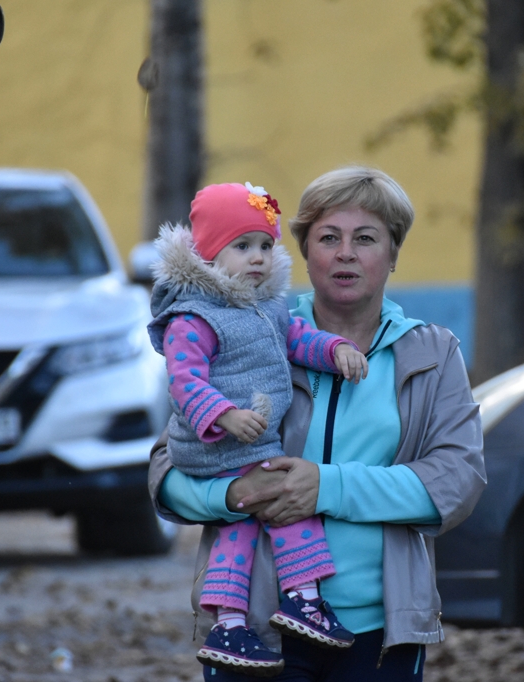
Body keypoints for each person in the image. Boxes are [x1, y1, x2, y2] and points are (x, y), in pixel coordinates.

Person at [148, 166, 486, 681]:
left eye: (365, 238)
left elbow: (457, 481)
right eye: (329, 238)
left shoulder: (432, 353)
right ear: (305, 252)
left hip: (379, 631)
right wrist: (233, 494)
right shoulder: (247, 329)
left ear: (394, 253)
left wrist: (327, 487)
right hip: (256, 630)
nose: (346, 253)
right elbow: (166, 471)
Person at [147, 182, 369, 676]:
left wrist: (335, 349)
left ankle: (229, 624)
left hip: (249, 437)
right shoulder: (193, 317)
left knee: (241, 526)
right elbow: (183, 381)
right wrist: (223, 414)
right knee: (288, 504)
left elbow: (299, 338)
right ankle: (304, 599)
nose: (257, 258)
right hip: (211, 441)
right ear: (208, 252)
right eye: (242, 246)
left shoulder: (266, 307)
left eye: (266, 246)